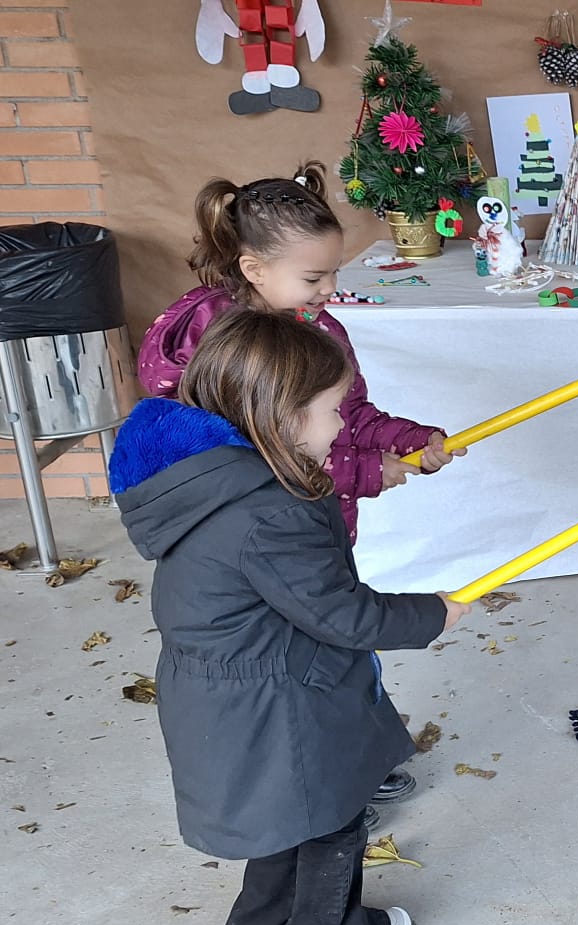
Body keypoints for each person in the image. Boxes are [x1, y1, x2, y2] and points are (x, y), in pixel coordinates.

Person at [109, 309, 470, 925]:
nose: (342, 425)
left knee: (285, 836)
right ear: (283, 417)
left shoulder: (217, 480)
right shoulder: (267, 512)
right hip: (279, 707)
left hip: (239, 694)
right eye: (333, 410)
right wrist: (434, 612)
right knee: (328, 825)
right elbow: (343, 613)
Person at [138, 160, 461, 819]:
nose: (330, 289)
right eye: (314, 277)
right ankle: (328, 782)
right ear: (254, 268)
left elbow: (352, 414)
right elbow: (255, 469)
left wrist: (410, 439)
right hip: (266, 547)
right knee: (316, 656)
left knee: (341, 649)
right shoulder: (225, 348)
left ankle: (357, 761)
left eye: (333, 272)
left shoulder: (317, 327)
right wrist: (367, 473)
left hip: (320, 528)